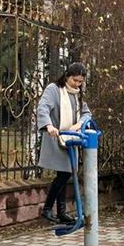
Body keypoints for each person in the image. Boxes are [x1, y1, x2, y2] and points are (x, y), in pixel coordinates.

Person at [36, 63, 91, 224]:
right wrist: (48, 125)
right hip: (56, 138)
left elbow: (86, 113)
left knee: (64, 174)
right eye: (75, 80)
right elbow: (43, 108)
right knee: (64, 173)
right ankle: (47, 209)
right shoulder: (54, 89)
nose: (77, 84)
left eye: (80, 82)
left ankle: (61, 212)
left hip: (70, 139)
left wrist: (79, 124)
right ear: (67, 76)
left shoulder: (77, 95)